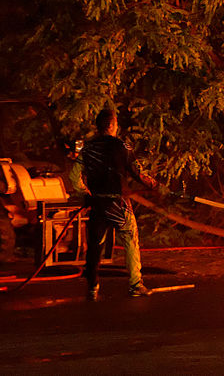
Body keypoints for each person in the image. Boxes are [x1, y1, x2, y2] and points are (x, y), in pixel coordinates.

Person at [68, 108, 165, 300]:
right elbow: (138, 174)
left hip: (97, 205)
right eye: (116, 122)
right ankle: (136, 285)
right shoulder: (122, 147)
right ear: (112, 125)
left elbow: (73, 176)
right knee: (130, 240)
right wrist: (157, 186)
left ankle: (92, 287)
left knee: (95, 246)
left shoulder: (88, 149)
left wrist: (85, 193)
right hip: (118, 205)